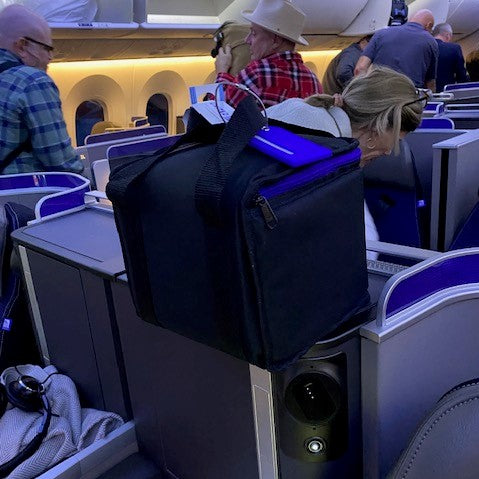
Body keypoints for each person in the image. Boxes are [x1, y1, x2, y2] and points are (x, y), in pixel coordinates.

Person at [265, 66, 424, 254]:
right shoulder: (334, 164)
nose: (388, 152)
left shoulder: (292, 110)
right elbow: (364, 253)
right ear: (377, 127)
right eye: (395, 139)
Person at [0, 5, 83, 175]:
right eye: (47, 48)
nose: (50, 57)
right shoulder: (33, 81)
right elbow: (62, 164)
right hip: (22, 190)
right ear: (22, 46)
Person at [214, 0, 321, 108]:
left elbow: (217, 108)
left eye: (254, 34)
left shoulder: (256, 74)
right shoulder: (314, 81)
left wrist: (221, 72)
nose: (247, 40)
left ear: (276, 41)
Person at [355, 9, 438, 91]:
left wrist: (364, 91)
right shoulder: (430, 41)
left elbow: (360, 68)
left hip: (379, 92)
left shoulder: (381, 34)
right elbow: (430, 83)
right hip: (408, 94)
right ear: (429, 25)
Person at [432, 23, 469, 92]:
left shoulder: (424, 47)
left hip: (424, 92)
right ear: (447, 35)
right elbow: (461, 74)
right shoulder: (454, 48)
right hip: (445, 92)